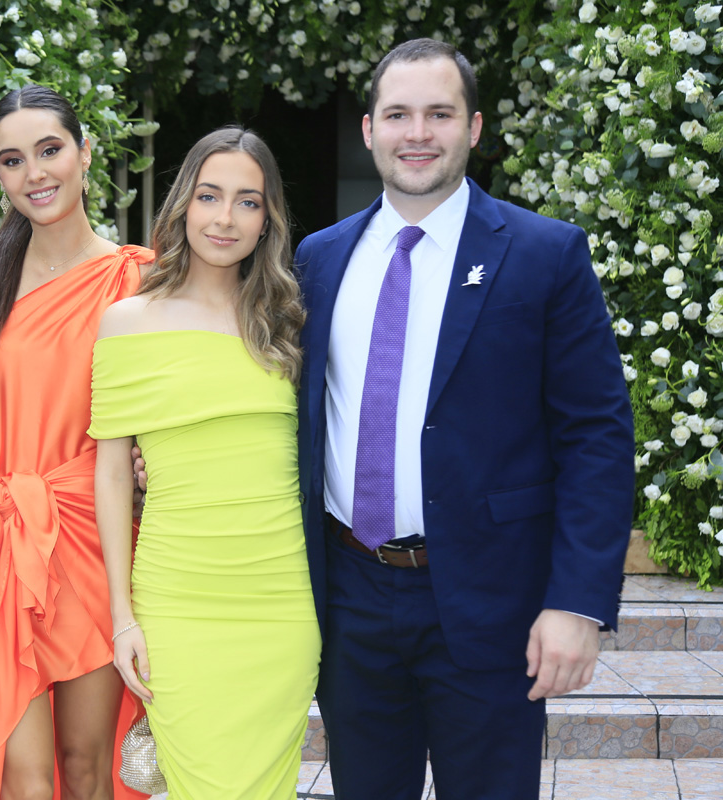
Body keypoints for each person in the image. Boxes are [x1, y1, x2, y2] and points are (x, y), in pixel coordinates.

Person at [294, 38, 634, 799]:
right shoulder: (317, 259)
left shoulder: (545, 255)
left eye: (439, 114)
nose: (418, 133)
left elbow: (597, 437)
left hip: (493, 605)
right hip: (349, 599)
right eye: (399, 114)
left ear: (473, 129)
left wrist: (577, 601)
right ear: (369, 131)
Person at [91, 127, 319, 799]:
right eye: (210, 196)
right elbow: (109, 472)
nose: (225, 218)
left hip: (281, 606)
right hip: (177, 601)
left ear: (267, 219)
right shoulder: (126, 322)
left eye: (247, 202)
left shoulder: (289, 323)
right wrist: (121, 615)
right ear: (183, 205)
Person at [0, 84, 153, 800]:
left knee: (87, 764)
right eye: (13, 159)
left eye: (50, 150)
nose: (34, 173)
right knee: (21, 779)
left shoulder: (141, 279)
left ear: (85, 153)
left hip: (95, 542)